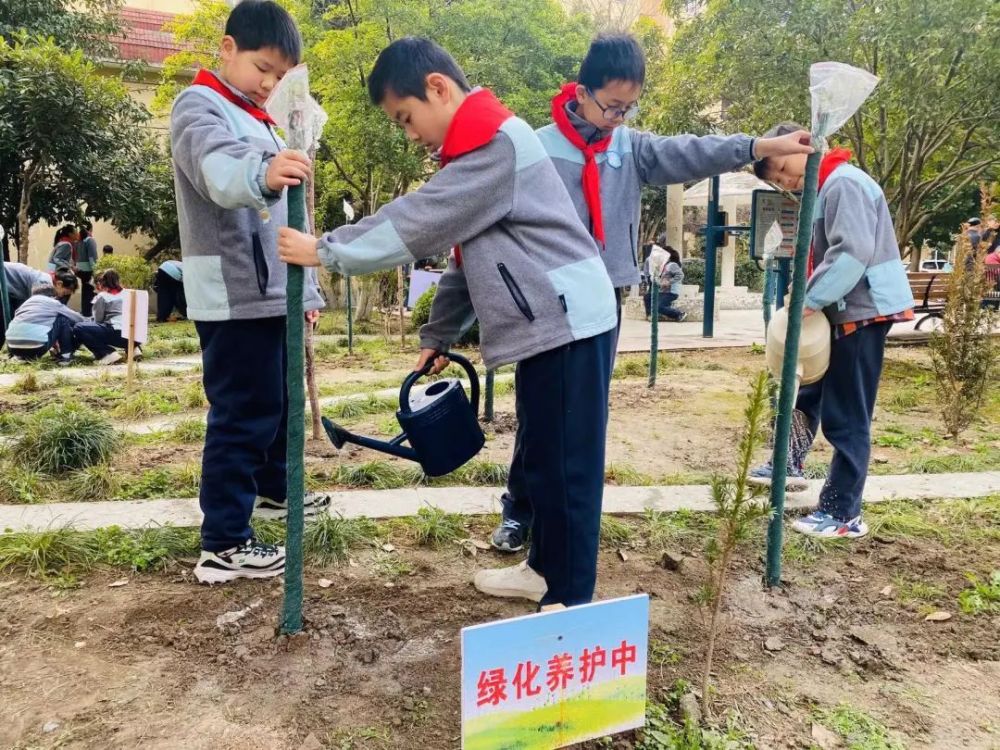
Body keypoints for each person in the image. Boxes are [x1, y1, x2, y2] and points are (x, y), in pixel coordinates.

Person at [278, 36, 619, 609]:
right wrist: (437, 336)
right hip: (554, 325)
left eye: (406, 117)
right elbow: (467, 255)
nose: (410, 134)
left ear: (437, 87)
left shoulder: (493, 145)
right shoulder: (478, 150)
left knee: (567, 470)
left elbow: (420, 221)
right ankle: (545, 569)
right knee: (542, 458)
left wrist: (325, 250)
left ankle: (570, 600)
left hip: (570, 324)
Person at [490, 33, 815, 554]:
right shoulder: (537, 147)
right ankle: (520, 510)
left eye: (629, 107)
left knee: (586, 415)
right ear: (580, 91)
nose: (620, 117)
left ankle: (569, 519)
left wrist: (758, 147)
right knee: (539, 411)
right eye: (613, 106)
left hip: (606, 299)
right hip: (547, 304)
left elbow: (691, 151)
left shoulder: (630, 148)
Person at [171, 0, 329, 585]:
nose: (270, 83)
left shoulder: (257, 115)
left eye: (281, 76)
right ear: (228, 48)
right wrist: (261, 174)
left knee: (279, 405)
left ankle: (274, 494)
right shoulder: (200, 106)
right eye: (263, 68)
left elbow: (291, 222)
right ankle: (224, 541)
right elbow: (218, 170)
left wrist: (305, 292)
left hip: (272, 291)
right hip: (234, 292)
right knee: (243, 412)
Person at [748, 122, 915, 539]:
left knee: (847, 412)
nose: (788, 181)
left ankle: (843, 512)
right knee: (806, 388)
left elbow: (850, 254)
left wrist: (809, 298)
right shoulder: (827, 187)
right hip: (841, 309)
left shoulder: (843, 185)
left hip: (862, 310)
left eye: (785, 167)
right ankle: (788, 461)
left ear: (805, 145)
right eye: (781, 181)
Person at [73, 269, 140, 365]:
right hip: (136, 335)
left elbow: (98, 320)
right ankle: (134, 349)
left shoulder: (103, 296)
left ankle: (107, 354)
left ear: (100, 283)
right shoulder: (130, 293)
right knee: (128, 324)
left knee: (79, 327)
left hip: (118, 333)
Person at [4, 285, 83, 364]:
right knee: (62, 318)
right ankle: (66, 356)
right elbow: (76, 318)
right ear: (53, 296)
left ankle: (22, 357)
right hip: (37, 348)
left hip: (12, 348)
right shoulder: (53, 302)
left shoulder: (24, 304)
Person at [1, 262, 52, 350]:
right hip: (6, 282)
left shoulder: (42, 278)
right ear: (59, 283)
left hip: (13, 289)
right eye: (65, 292)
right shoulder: (44, 282)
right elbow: (37, 308)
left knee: (13, 319)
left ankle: (12, 348)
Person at [656, 245, 686, 322]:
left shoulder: (672, 265)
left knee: (658, 307)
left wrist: (669, 282)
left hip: (671, 292)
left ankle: (679, 314)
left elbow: (680, 275)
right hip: (664, 292)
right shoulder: (665, 266)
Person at [76, 222, 100, 317]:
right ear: (90, 229)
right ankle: (88, 312)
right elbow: (92, 258)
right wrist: (96, 270)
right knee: (90, 291)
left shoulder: (79, 241)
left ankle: (85, 311)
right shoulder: (90, 240)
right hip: (89, 270)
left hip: (80, 270)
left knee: (85, 290)